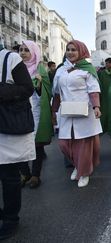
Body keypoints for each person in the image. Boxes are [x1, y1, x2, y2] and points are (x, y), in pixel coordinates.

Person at [52, 40, 102, 188]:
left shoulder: (87, 69)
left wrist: (96, 107)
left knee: (83, 144)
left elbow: (93, 90)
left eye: (74, 49)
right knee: (64, 144)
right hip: (67, 111)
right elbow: (56, 92)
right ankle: (77, 165)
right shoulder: (61, 69)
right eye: (68, 49)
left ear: (81, 51)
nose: (70, 52)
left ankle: (84, 172)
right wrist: (54, 110)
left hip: (85, 111)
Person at [0, 38, 35, 240]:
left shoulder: (10, 58)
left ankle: (11, 219)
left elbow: (26, 88)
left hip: (7, 127)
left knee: (9, 176)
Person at [18, 40, 53, 188]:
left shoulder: (40, 70)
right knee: (19, 145)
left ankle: (35, 175)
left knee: (37, 145)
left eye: (27, 50)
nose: (23, 53)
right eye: (21, 50)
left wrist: (39, 85)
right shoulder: (15, 68)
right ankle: (25, 173)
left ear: (33, 52)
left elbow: (47, 91)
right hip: (18, 112)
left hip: (36, 111)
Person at [98, 57, 111, 133]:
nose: (107, 65)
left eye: (108, 63)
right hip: (104, 95)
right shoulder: (102, 72)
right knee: (104, 111)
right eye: (106, 63)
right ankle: (104, 128)